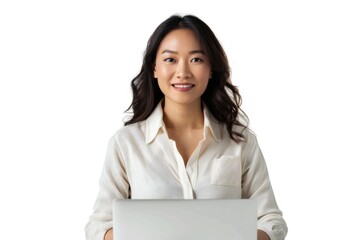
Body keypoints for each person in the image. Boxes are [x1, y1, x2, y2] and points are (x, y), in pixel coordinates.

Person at [85, 14, 288, 240]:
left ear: (211, 68)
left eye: (196, 59)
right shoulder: (126, 143)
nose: (183, 72)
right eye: (170, 60)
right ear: (154, 68)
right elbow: (99, 225)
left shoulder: (240, 141)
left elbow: (271, 220)